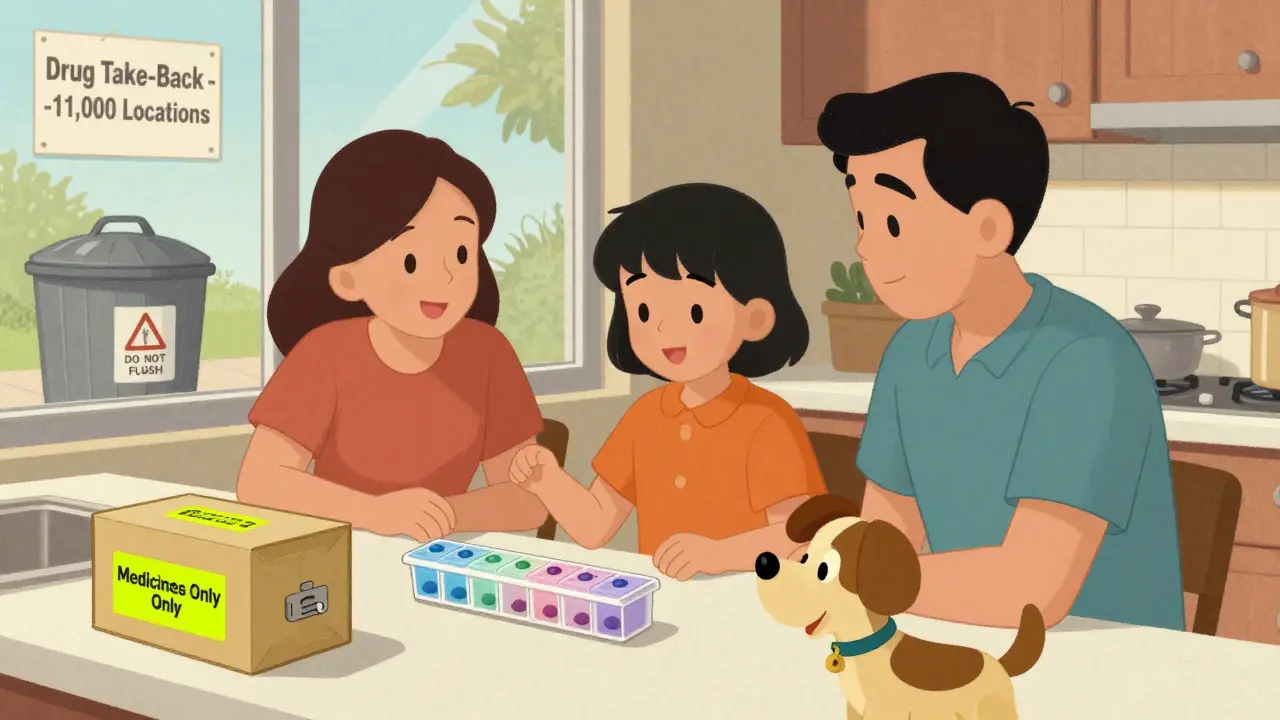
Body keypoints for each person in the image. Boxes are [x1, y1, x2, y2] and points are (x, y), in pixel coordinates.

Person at [816, 72, 1184, 630]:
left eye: (891, 222)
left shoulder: (1086, 360)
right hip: (963, 641)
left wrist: (853, 578)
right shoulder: (911, 351)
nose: (865, 245)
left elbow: (1030, 591)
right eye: (861, 219)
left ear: (987, 227)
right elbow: (883, 538)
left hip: (1101, 659)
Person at [236, 130, 548, 542]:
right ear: (348, 277)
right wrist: (374, 513)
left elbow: (528, 500)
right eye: (411, 260)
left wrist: (439, 515)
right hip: (344, 552)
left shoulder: (488, 353)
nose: (445, 276)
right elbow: (260, 481)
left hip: (442, 554)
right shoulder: (324, 353)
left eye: (460, 253)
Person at [508, 183, 826, 580]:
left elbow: (798, 538)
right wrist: (548, 481)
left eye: (694, 310)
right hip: (662, 600)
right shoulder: (644, 417)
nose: (661, 328)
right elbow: (596, 526)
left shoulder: (767, 421)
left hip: (748, 603)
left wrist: (718, 555)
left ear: (755, 318)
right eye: (643, 310)